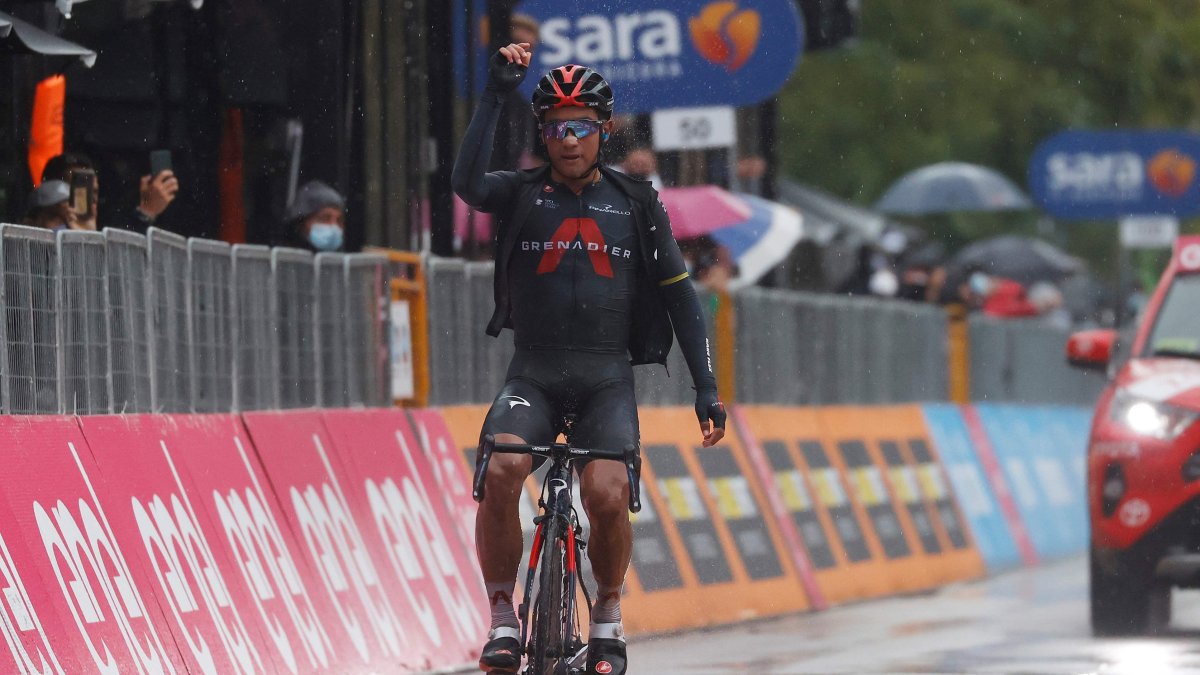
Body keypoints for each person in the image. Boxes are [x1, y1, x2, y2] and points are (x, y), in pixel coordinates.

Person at [452, 43, 726, 675]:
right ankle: (501, 614)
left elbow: (681, 297)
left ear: (603, 130)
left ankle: (606, 612)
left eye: (579, 127)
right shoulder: (522, 192)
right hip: (535, 372)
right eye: (553, 128)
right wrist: (495, 95)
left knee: (605, 494)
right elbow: (466, 184)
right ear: (542, 134)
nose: (566, 140)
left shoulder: (636, 200)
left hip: (607, 376)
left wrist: (705, 387)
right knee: (502, 470)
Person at [41, 151, 179, 232]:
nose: (89, 199)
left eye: (93, 192)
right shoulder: (42, 228)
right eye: (79, 189)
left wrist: (147, 211)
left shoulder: (99, 231)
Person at [284, 180, 347, 252]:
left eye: (339, 221)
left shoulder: (343, 262)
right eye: (325, 218)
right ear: (301, 222)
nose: (334, 226)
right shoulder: (278, 260)